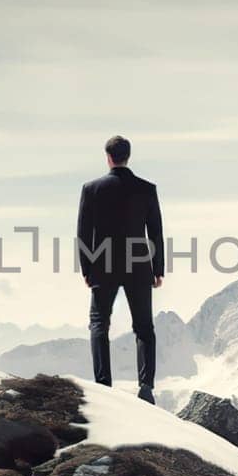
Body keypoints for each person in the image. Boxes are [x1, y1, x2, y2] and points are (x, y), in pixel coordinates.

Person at [76, 135, 164, 403]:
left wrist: (86, 269)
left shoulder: (91, 189)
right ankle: (146, 386)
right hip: (138, 265)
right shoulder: (147, 189)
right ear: (128, 156)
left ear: (108, 157)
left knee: (99, 323)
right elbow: (156, 233)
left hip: (103, 265)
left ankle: (103, 384)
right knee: (144, 328)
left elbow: (83, 233)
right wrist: (157, 269)